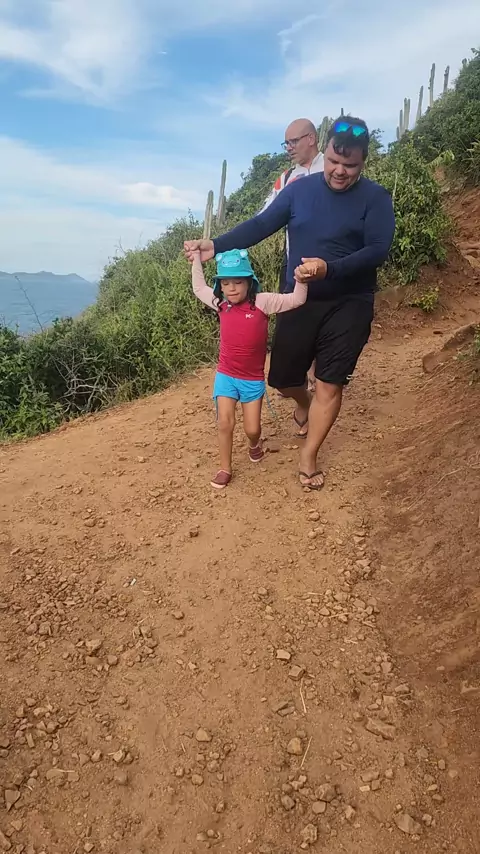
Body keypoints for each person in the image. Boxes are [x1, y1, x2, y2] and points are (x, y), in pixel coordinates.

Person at [185, 117, 395, 491]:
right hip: (300, 300)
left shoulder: (376, 198)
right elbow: (261, 224)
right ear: (326, 151)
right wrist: (215, 245)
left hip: (349, 302)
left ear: (363, 162)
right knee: (282, 378)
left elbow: (378, 250)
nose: (340, 171)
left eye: (350, 165)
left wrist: (329, 268)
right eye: (334, 161)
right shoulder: (300, 191)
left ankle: (309, 457)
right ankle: (304, 403)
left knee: (330, 383)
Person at [190, 247, 309, 489]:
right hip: (225, 375)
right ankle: (225, 468)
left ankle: (255, 444)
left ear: (249, 282)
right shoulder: (221, 304)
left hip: (252, 380)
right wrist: (196, 260)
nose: (232, 288)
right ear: (220, 286)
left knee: (252, 429)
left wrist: (301, 279)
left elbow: (296, 300)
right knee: (225, 423)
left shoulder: (262, 302)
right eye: (226, 283)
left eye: (238, 282)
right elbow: (199, 288)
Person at [261, 118, 324, 393]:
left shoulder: (332, 167)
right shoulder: (286, 179)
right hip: (294, 264)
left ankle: (319, 375)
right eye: (285, 143)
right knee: (293, 317)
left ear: (311, 138)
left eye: (293, 141)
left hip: (332, 262)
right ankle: (298, 377)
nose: (288, 147)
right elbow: (264, 216)